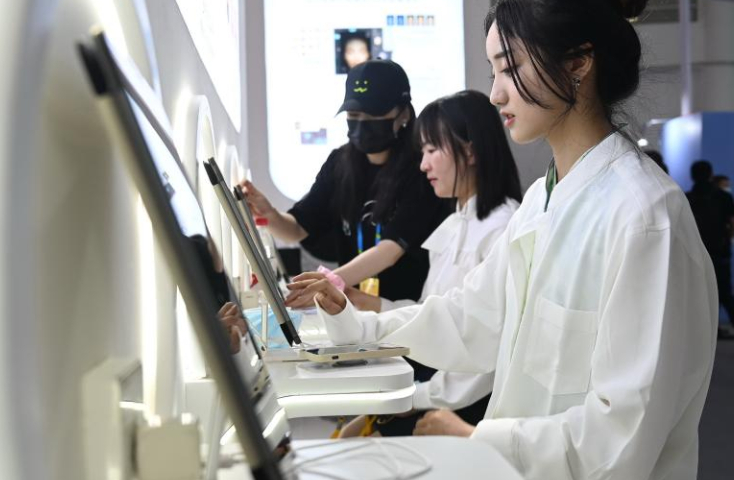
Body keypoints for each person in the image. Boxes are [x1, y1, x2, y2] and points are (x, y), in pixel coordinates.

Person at [287, 0, 717, 478]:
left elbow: (622, 434)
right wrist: (350, 320)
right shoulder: (542, 201)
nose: (494, 94)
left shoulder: (642, 216)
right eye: (494, 71)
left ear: (577, 63)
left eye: (509, 68)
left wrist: (478, 439)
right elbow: (469, 319)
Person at [340, 90, 522, 437]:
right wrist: (376, 306)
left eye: (431, 150)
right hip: (436, 389)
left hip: (463, 408)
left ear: (469, 150)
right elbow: (435, 315)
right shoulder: (456, 224)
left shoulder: (501, 229)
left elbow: (486, 353)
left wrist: (413, 396)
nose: (423, 164)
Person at [241, 60, 448, 306]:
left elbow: (390, 250)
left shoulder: (422, 169)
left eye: (374, 114)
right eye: (354, 115)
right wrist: (269, 215)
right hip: (356, 314)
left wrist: (327, 282)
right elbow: (297, 228)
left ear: (403, 113)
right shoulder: (340, 163)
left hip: (408, 311)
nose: (362, 123)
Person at [687, 160, 734, 339]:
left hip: (696, 251)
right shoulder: (724, 197)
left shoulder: (687, 197)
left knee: (698, 293)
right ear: (710, 174)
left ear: (692, 175)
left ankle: (702, 331)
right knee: (725, 292)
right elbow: (731, 223)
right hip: (720, 250)